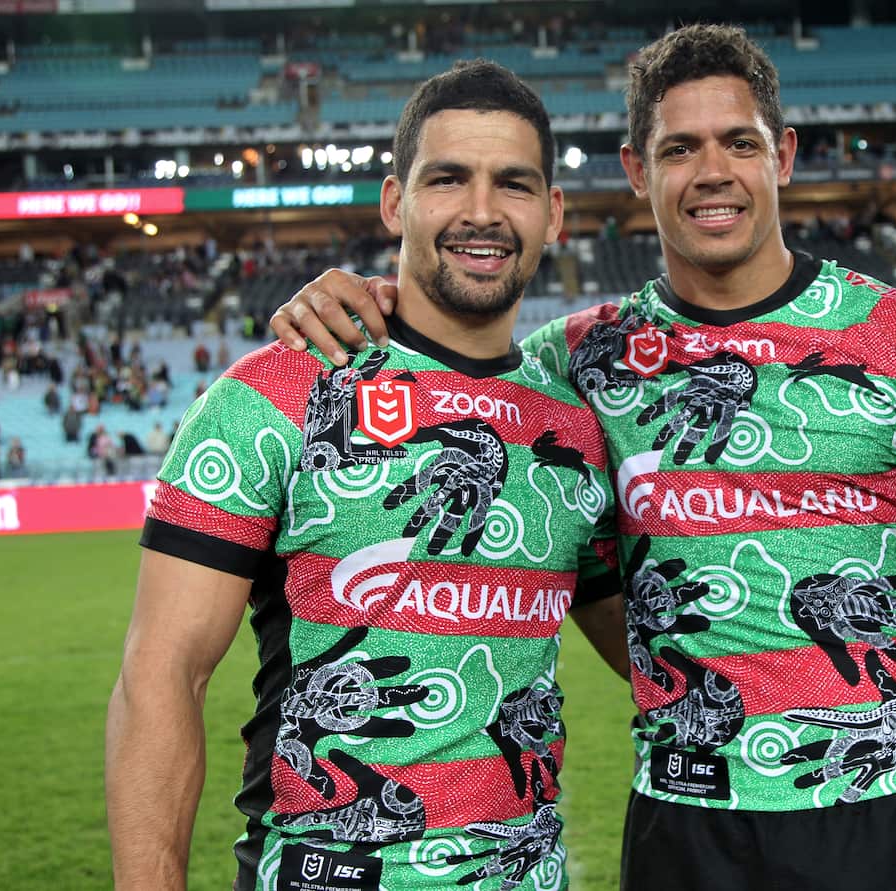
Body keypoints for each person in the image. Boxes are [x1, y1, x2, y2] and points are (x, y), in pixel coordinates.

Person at [270, 25, 896, 891]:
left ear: (784, 155)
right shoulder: (575, 363)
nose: (713, 171)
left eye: (740, 142)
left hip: (889, 819)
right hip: (686, 830)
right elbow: (461, 364)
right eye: (679, 148)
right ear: (638, 172)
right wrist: (364, 299)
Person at [107, 61, 637, 891]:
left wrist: (878, 646)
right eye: (448, 178)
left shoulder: (573, 427)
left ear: (555, 213)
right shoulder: (278, 393)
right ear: (396, 201)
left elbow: (655, 646)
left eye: (515, 184)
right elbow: (162, 672)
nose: (482, 211)